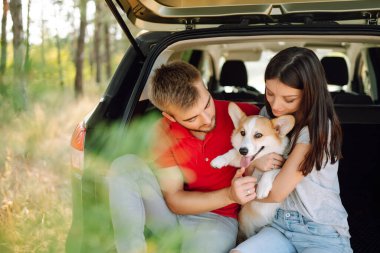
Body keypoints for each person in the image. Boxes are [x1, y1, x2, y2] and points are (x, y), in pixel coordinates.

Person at [107, 61, 260, 253]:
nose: (207, 119)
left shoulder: (246, 118)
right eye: (192, 118)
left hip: (218, 221)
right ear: (170, 117)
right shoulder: (162, 132)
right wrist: (229, 195)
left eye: (207, 105)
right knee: (124, 165)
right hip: (171, 216)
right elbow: (175, 200)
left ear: (205, 87)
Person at [231, 47, 352, 253]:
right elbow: (249, 170)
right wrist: (254, 164)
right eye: (270, 93)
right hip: (276, 225)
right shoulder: (265, 117)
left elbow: (277, 192)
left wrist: (236, 194)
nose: (276, 106)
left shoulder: (318, 130)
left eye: (289, 99)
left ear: (309, 94)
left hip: (319, 231)